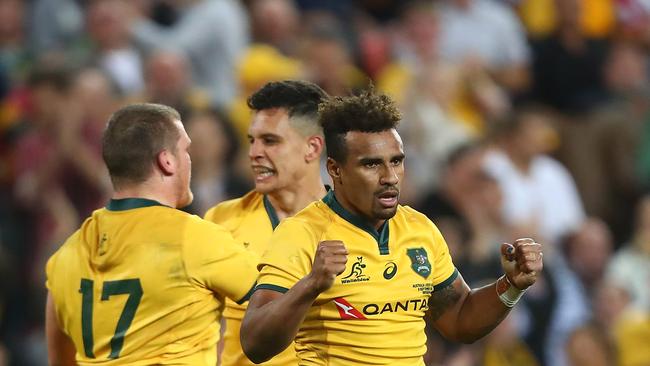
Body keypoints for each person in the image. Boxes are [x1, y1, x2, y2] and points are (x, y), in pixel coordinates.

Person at [240, 89, 544, 365]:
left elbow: (459, 319)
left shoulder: (419, 228)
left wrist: (511, 285)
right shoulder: (302, 233)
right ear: (335, 169)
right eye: (371, 164)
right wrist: (310, 285)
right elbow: (254, 343)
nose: (390, 177)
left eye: (396, 161)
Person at [45, 103, 258, 365]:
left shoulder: (66, 255)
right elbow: (277, 299)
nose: (190, 159)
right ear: (167, 161)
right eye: (186, 150)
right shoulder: (193, 237)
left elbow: (60, 359)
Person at [204, 80, 329, 366]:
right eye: (252, 140)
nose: (254, 152)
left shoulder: (354, 225)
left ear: (312, 148)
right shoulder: (220, 223)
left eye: (270, 141)